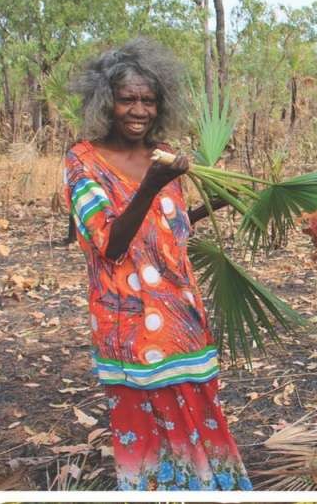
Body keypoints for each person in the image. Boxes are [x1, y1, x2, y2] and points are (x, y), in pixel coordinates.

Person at [64, 38, 250, 491]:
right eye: (128, 100)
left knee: (199, 415)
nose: (139, 111)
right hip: (129, 323)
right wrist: (151, 183)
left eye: (148, 100)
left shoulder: (162, 154)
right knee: (146, 426)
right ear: (106, 102)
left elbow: (166, 229)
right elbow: (109, 243)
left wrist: (217, 205)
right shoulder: (82, 161)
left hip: (181, 316)